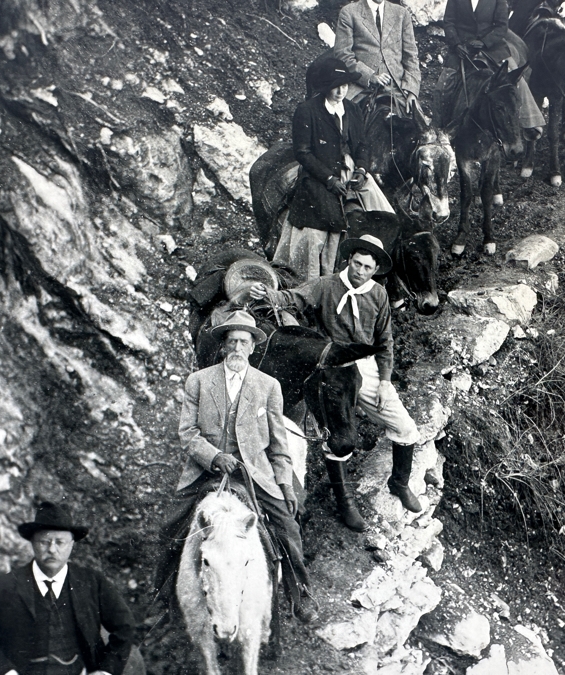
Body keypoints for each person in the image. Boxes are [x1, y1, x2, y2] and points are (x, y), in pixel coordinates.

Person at [251, 235, 422, 533]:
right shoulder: (327, 285)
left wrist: (384, 381)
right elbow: (294, 297)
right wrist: (267, 294)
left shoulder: (379, 295)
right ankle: (345, 502)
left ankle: (400, 482)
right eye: (357, 263)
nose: (361, 271)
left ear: (375, 269)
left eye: (368, 267)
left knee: (406, 428)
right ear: (349, 260)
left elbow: (385, 341)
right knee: (338, 434)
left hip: (366, 368)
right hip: (331, 367)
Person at [159, 310, 318, 623]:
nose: (236, 348)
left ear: (252, 347)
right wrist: (215, 456)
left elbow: (278, 444)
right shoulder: (199, 382)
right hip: (206, 469)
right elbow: (187, 434)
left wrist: (284, 484)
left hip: (254, 471)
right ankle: (163, 598)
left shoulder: (268, 386)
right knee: (171, 526)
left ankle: (299, 594)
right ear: (222, 345)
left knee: (287, 526)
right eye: (231, 341)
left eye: (243, 342)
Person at [0, 502, 138, 675]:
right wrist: (7, 673)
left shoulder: (92, 582)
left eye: (60, 542)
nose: (52, 549)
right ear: (33, 543)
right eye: (44, 542)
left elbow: (125, 626)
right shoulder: (6, 585)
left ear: (71, 545)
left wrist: (105, 671)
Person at [274, 57, 393, 282]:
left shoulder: (352, 109)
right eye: (335, 86)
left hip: (349, 168)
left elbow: (362, 145)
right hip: (319, 173)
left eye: (345, 86)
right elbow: (303, 153)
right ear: (326, 87)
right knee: (321, 224)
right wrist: (329, 179)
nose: (341, 91)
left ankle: (378, 268)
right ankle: (320, 277)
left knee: (383, 211)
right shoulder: (307, 110)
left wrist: (361, 170)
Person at [434, 0, 545, 133]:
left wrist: (484, 42)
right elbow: (449, 22)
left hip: (492, 47)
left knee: (514, 77)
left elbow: (501, 27)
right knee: (443, 84)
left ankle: (529, 122)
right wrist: (456, 44)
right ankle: (438, 128)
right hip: (463, 47)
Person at [333, 0, 422, 115]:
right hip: (361, 87)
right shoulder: (349, 12)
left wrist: (411, 91)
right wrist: (369, 76)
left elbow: (411, 56)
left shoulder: (402, 13)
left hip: (397, 88)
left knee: (420, 128)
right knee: (343, 121)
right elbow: (343, 56)